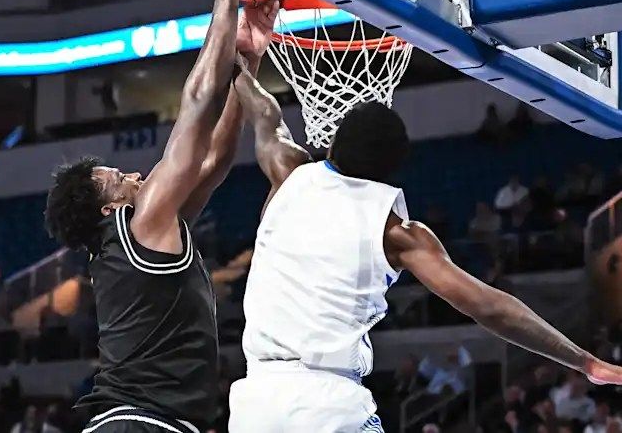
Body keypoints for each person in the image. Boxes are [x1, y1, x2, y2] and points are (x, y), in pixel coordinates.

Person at [226, 72, 622, 432]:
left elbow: (265, 113)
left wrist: (240, 42)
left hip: (253, 403)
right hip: (324, 406)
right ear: (392, 172)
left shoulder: (288, 173)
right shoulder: (397, 232)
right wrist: (583, 361)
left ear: (333, 142)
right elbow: (490, 308)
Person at [44, 0, 275, 433]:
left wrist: (249, 60)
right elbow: (195, 105)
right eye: (117, 179)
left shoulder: (146, 231)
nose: (131, 173)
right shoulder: (137, 227)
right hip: (138, 425)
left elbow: (212, 164)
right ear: (110, 210)